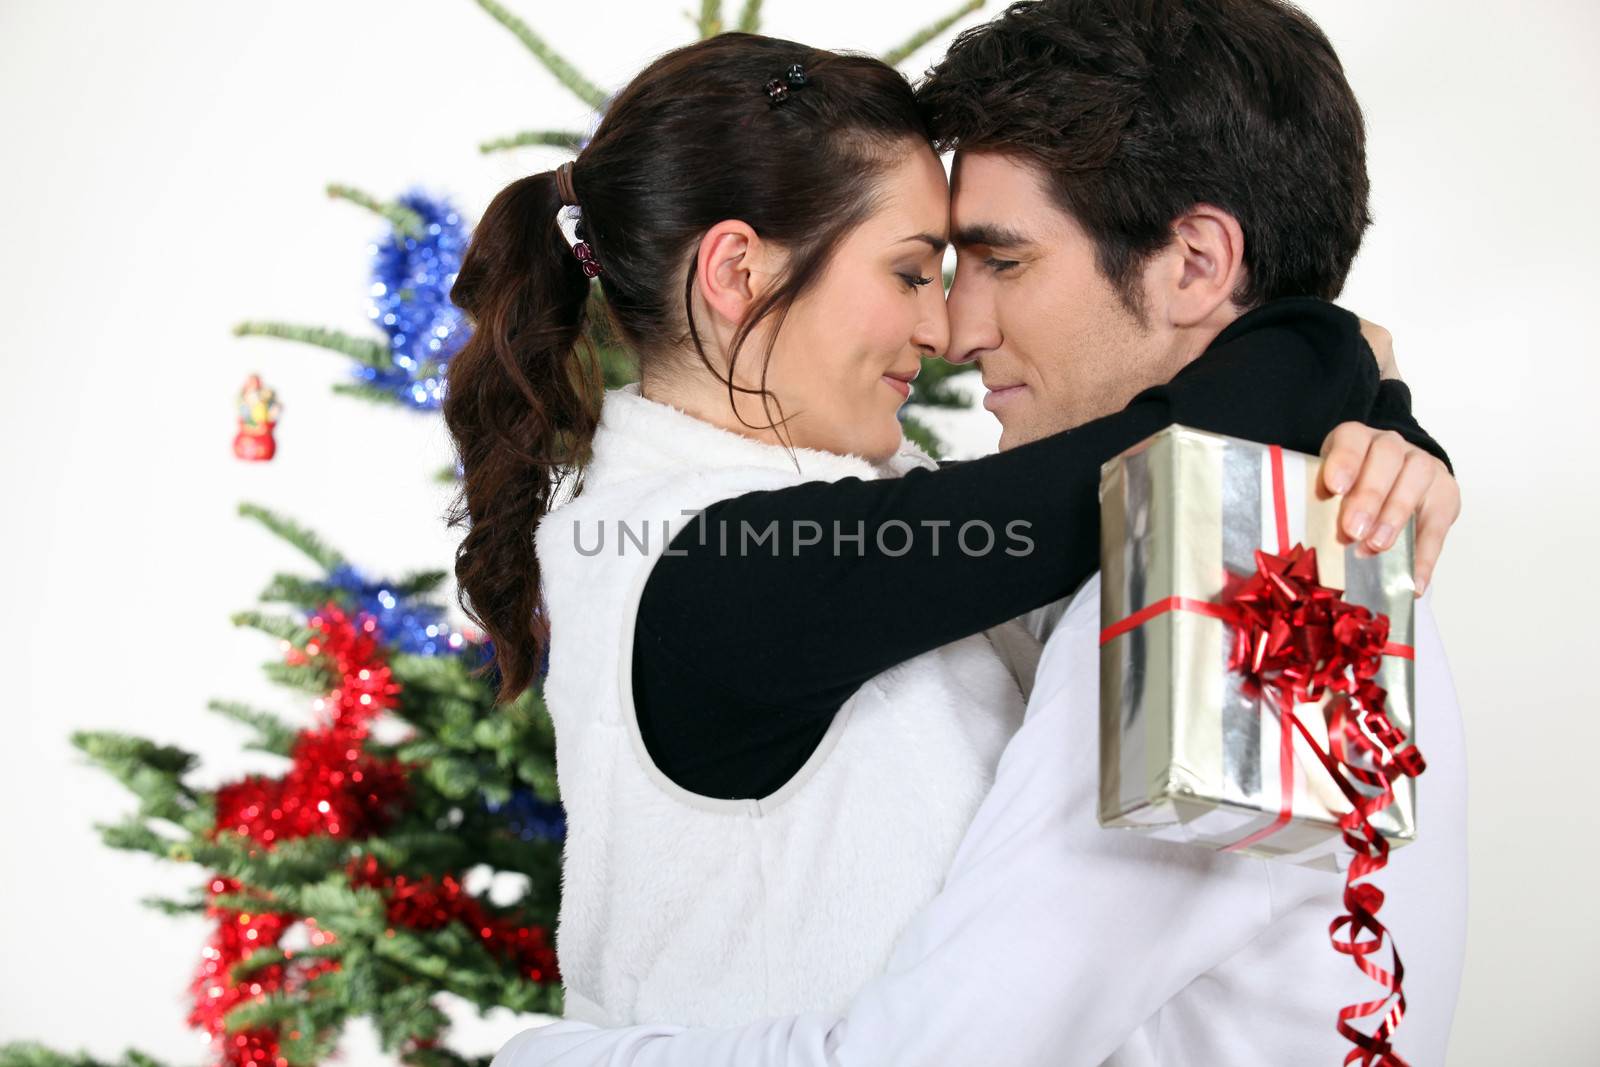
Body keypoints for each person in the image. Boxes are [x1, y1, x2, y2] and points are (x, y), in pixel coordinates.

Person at [443, 12, 1460, 1061]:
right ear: (736, 274)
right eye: (913, 270)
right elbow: (1060, 500)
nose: (947, 331)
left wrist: (1363, 404)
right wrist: (1340, 363)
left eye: (995, 261)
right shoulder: (729, 561)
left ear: (1197, 261)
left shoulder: (1231, 565)